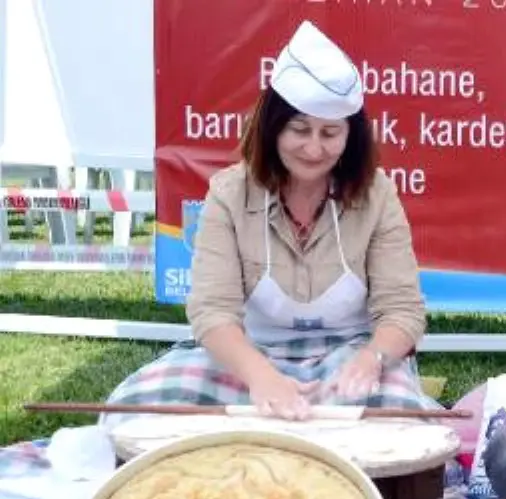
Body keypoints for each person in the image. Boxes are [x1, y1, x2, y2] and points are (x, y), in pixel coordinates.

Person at [103, 20, 441, 422]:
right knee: (136, 405)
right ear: (272, 127)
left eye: (330, 133)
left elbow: (403, 310)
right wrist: (262, 378)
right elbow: (212, 312)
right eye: (299, 130)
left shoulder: (376, 193)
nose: (314, 148)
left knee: (399, 415)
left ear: (352, 136)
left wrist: (373, 357)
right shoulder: (228, 194)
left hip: (347, 354)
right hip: (249, 355)